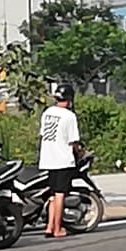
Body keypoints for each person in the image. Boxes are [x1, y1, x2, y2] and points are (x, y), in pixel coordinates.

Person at [38, 83, 82, 239]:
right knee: (60, 195)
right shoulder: (69, 116)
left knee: (52, 194)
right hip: (62, 159)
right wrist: (79, 152)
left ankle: (49, 226)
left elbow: (43, 134)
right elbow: (73, 141)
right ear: (70, 99)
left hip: (47, 159)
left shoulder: (47, 112)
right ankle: (57, 228)